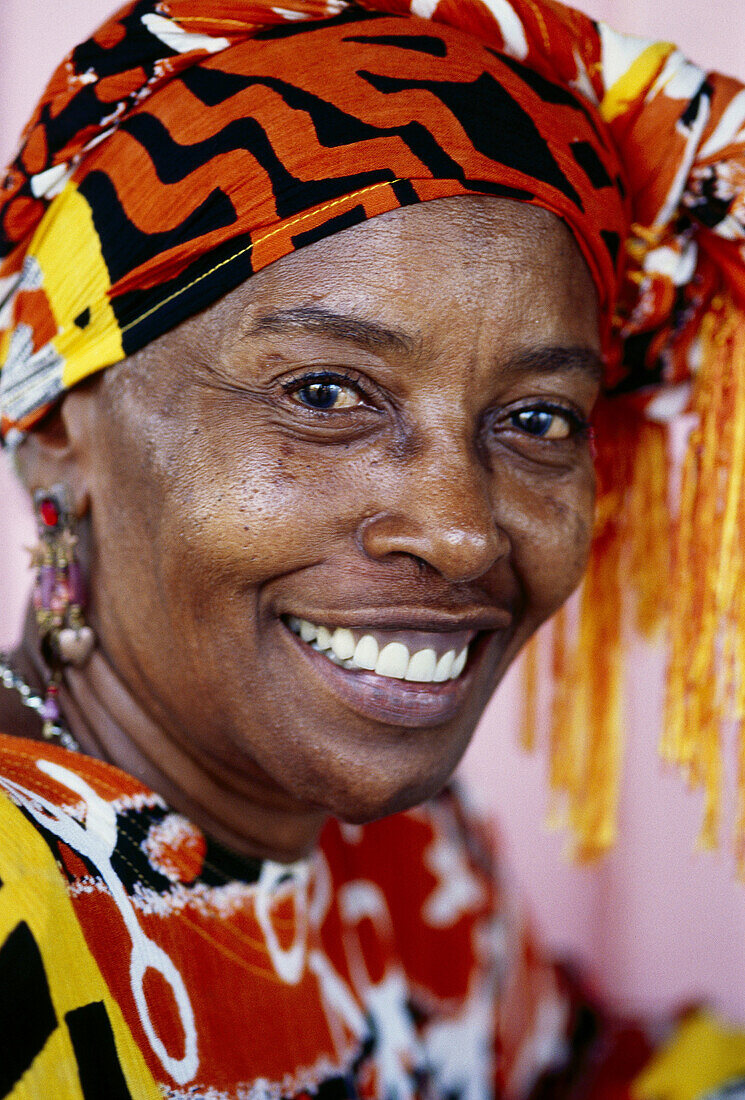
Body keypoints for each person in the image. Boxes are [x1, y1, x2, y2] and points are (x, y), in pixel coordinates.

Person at [1, 0, 745, 1096]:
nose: (457, 529)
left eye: (537, 418)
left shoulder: (407, 853)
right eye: (324, 393)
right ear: (62, 421)